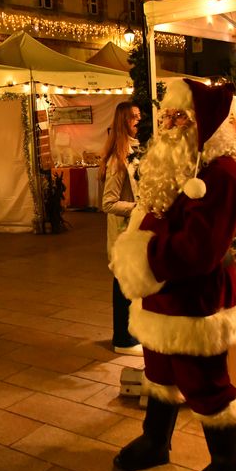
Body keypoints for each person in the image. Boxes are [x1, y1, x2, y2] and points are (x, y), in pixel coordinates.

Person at [110, 78, 236, 471]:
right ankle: (155, 442)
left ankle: (229, 470)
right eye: (166, 116)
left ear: (205, 124)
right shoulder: (173, 166)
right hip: (160, 295)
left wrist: (142, 256)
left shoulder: (221, 174)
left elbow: (198, 251)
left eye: (180, 117)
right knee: (159, 373)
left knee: (205, 383)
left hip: (195, 301)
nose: (169, 126)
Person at [99, 101, 143, 356]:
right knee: (123, 286)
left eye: (139, 116)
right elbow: (108, 202)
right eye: (132, 117)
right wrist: (139, 208)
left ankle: (131, 335)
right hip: (124, 234)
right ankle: (123, 340)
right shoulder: (119, 157)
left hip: (134, 233)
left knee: (132, 285)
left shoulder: (135, 150)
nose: (138, 120)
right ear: (122, 121)